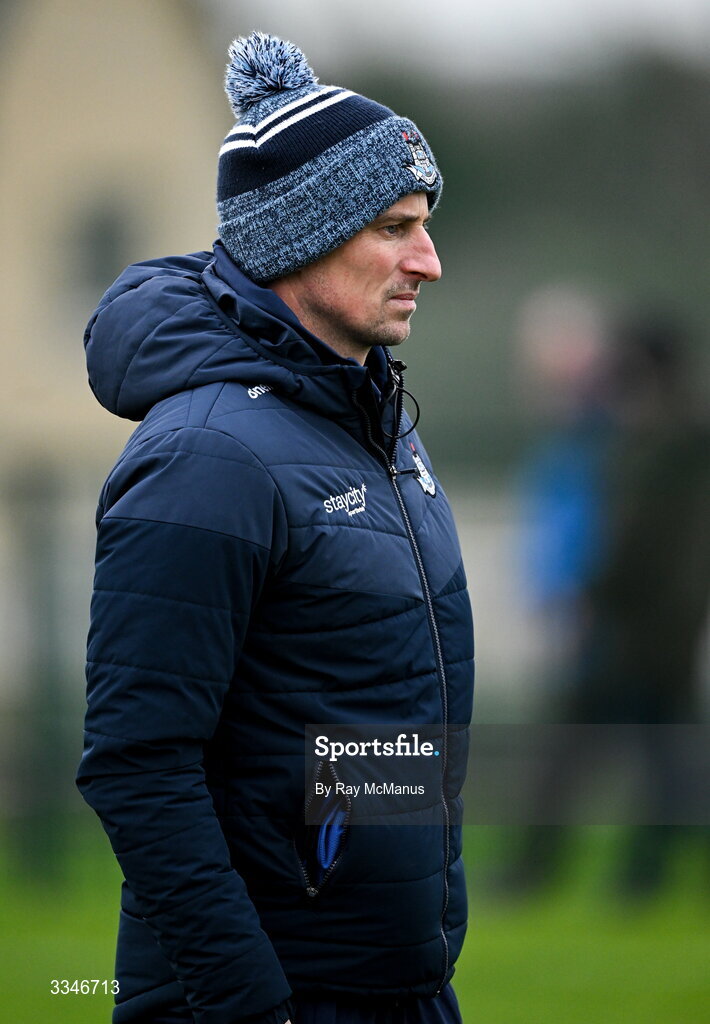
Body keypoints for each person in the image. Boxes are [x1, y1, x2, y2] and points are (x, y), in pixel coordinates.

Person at [77, 32, 474, 1024]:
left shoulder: (370, 425)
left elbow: (349, 727)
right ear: (301, 237)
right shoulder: (212, 454)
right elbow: (140, 763)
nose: (427, 261)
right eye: (394, 227)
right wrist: (250, 1000)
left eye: (423, 224)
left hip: (396, 986)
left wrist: (410, 938)